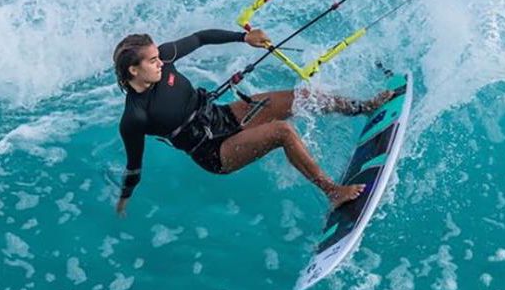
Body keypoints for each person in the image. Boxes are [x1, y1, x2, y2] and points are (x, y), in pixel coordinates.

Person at [112, 28, 392, 216]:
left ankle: (364, 108)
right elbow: (134, 164)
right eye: (152, 61)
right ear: (133, 70)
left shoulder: (165, 60)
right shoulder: (135, 116)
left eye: (158, 57)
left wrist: (242, 38)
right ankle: (333, 192)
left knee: (302, 97)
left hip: (224, 116)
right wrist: (124, 198)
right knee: (282, 131)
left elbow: (200, 38)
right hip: (213, 152)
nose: (160, 62)